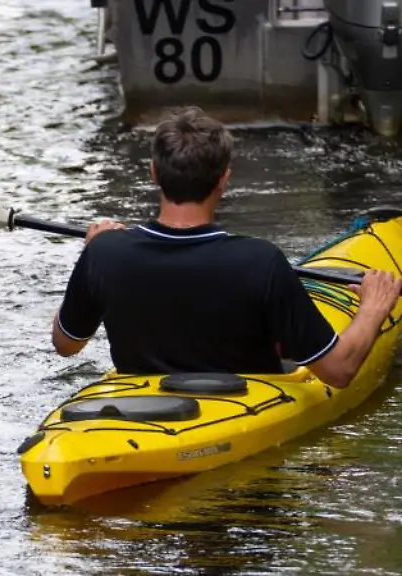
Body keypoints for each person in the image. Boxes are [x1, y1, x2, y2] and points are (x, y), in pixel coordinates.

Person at [51, 106, 401, 389]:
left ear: (153, 172)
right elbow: (339, 371)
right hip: (241, 407)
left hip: (137, 408)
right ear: (224, 179)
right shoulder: (261, 261)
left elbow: (66, 345)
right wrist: (373, 306)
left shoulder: (105, 252)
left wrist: (92, 253)